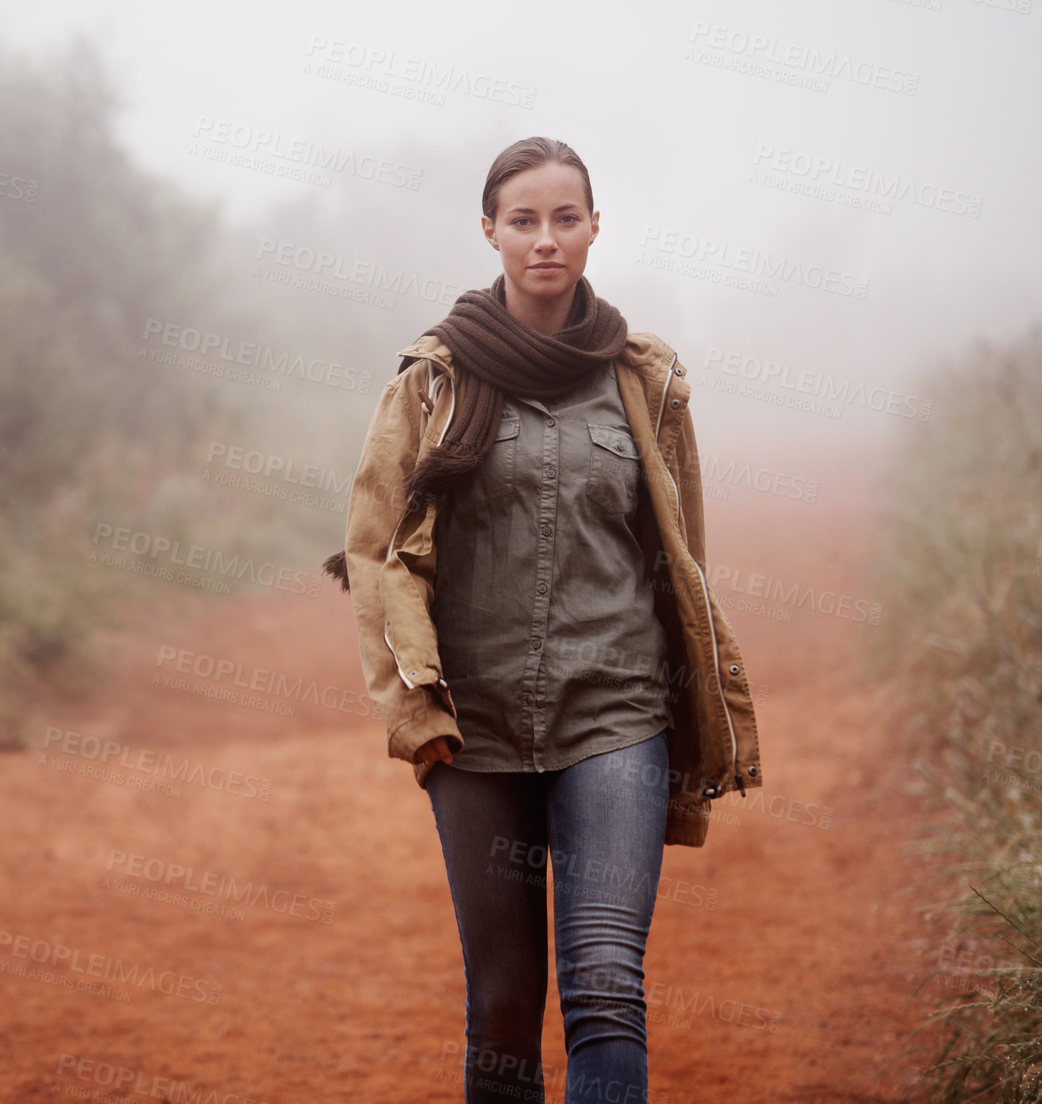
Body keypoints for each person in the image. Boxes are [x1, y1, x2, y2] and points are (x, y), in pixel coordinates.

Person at [320, 137, 765, 1104]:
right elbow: (377, 551)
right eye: (524, 220)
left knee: (606, 985)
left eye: (567, 218)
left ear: (595, 228)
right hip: (472, 728)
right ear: (491, 232)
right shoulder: (433, 381)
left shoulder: (645, 381)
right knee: (505, 1007)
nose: (546, 239)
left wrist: (695, 709)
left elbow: (678, 561)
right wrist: (414, 710)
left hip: (615, 716)